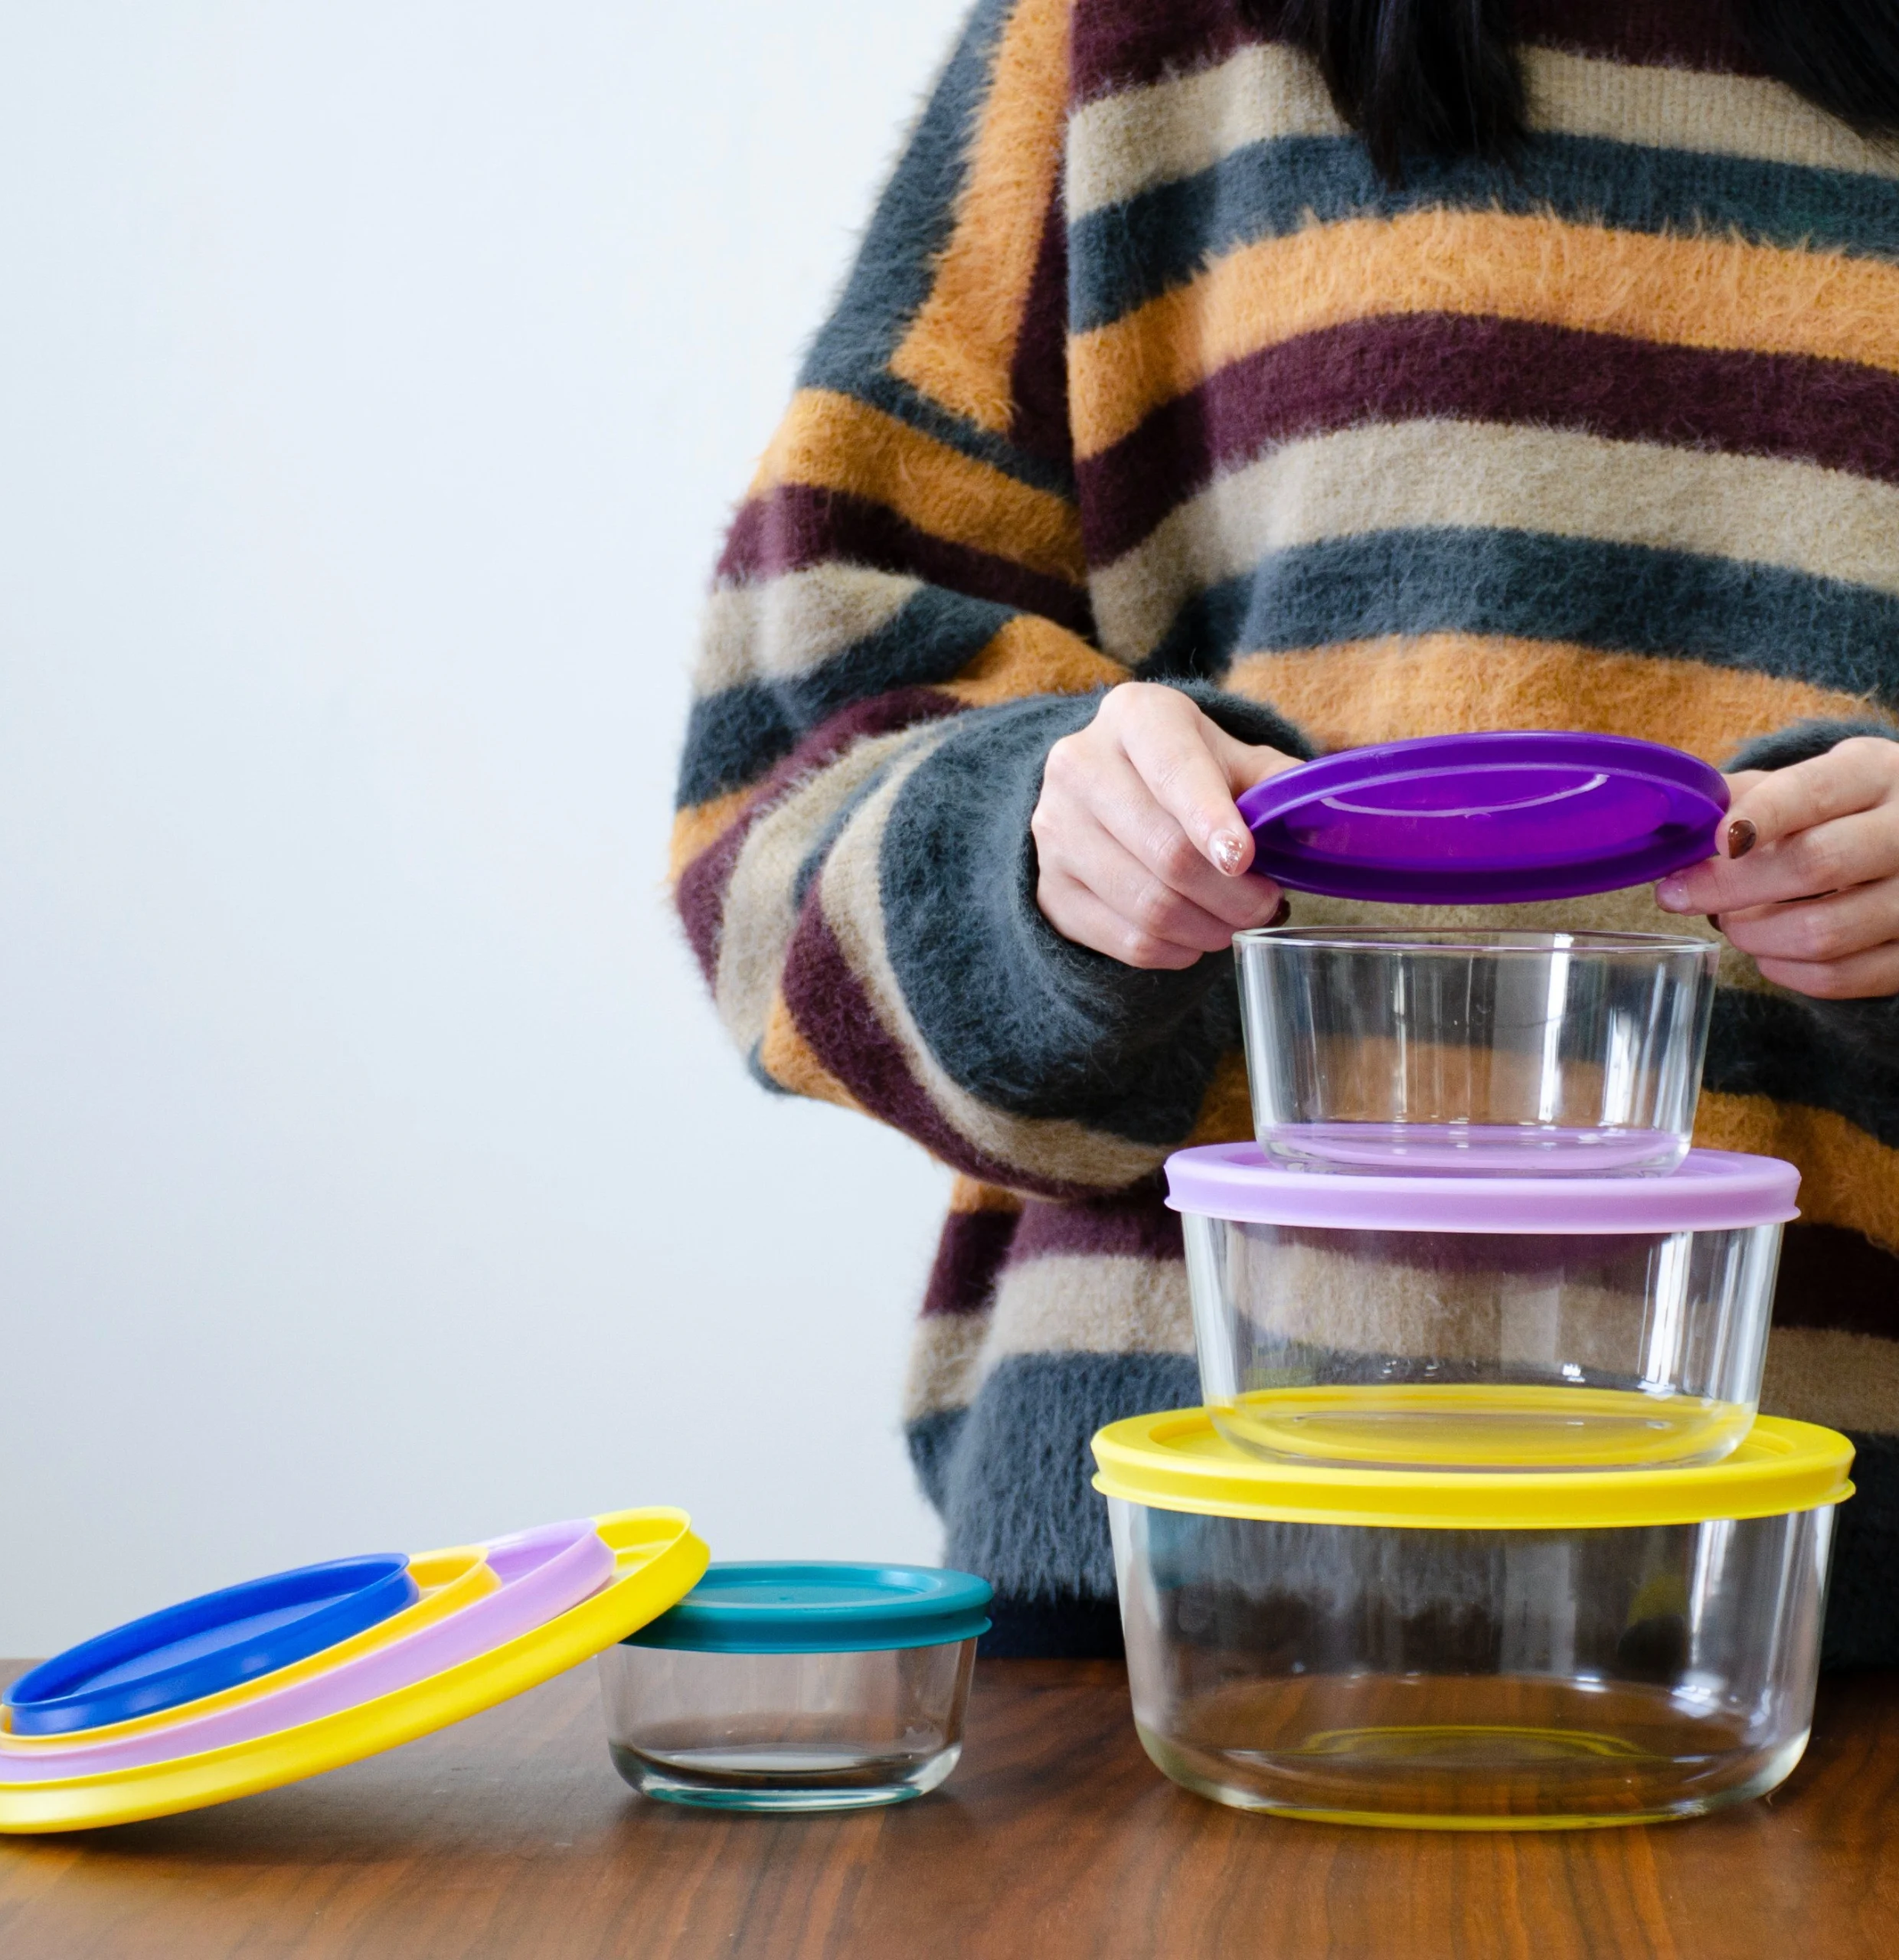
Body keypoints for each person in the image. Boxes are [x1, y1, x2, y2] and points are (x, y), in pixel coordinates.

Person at [671, 0, 1899, 1658]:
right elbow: (766, 798)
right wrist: (1045, 870)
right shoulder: (1126, 37)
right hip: (1179, 1566)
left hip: (1823, 1591)